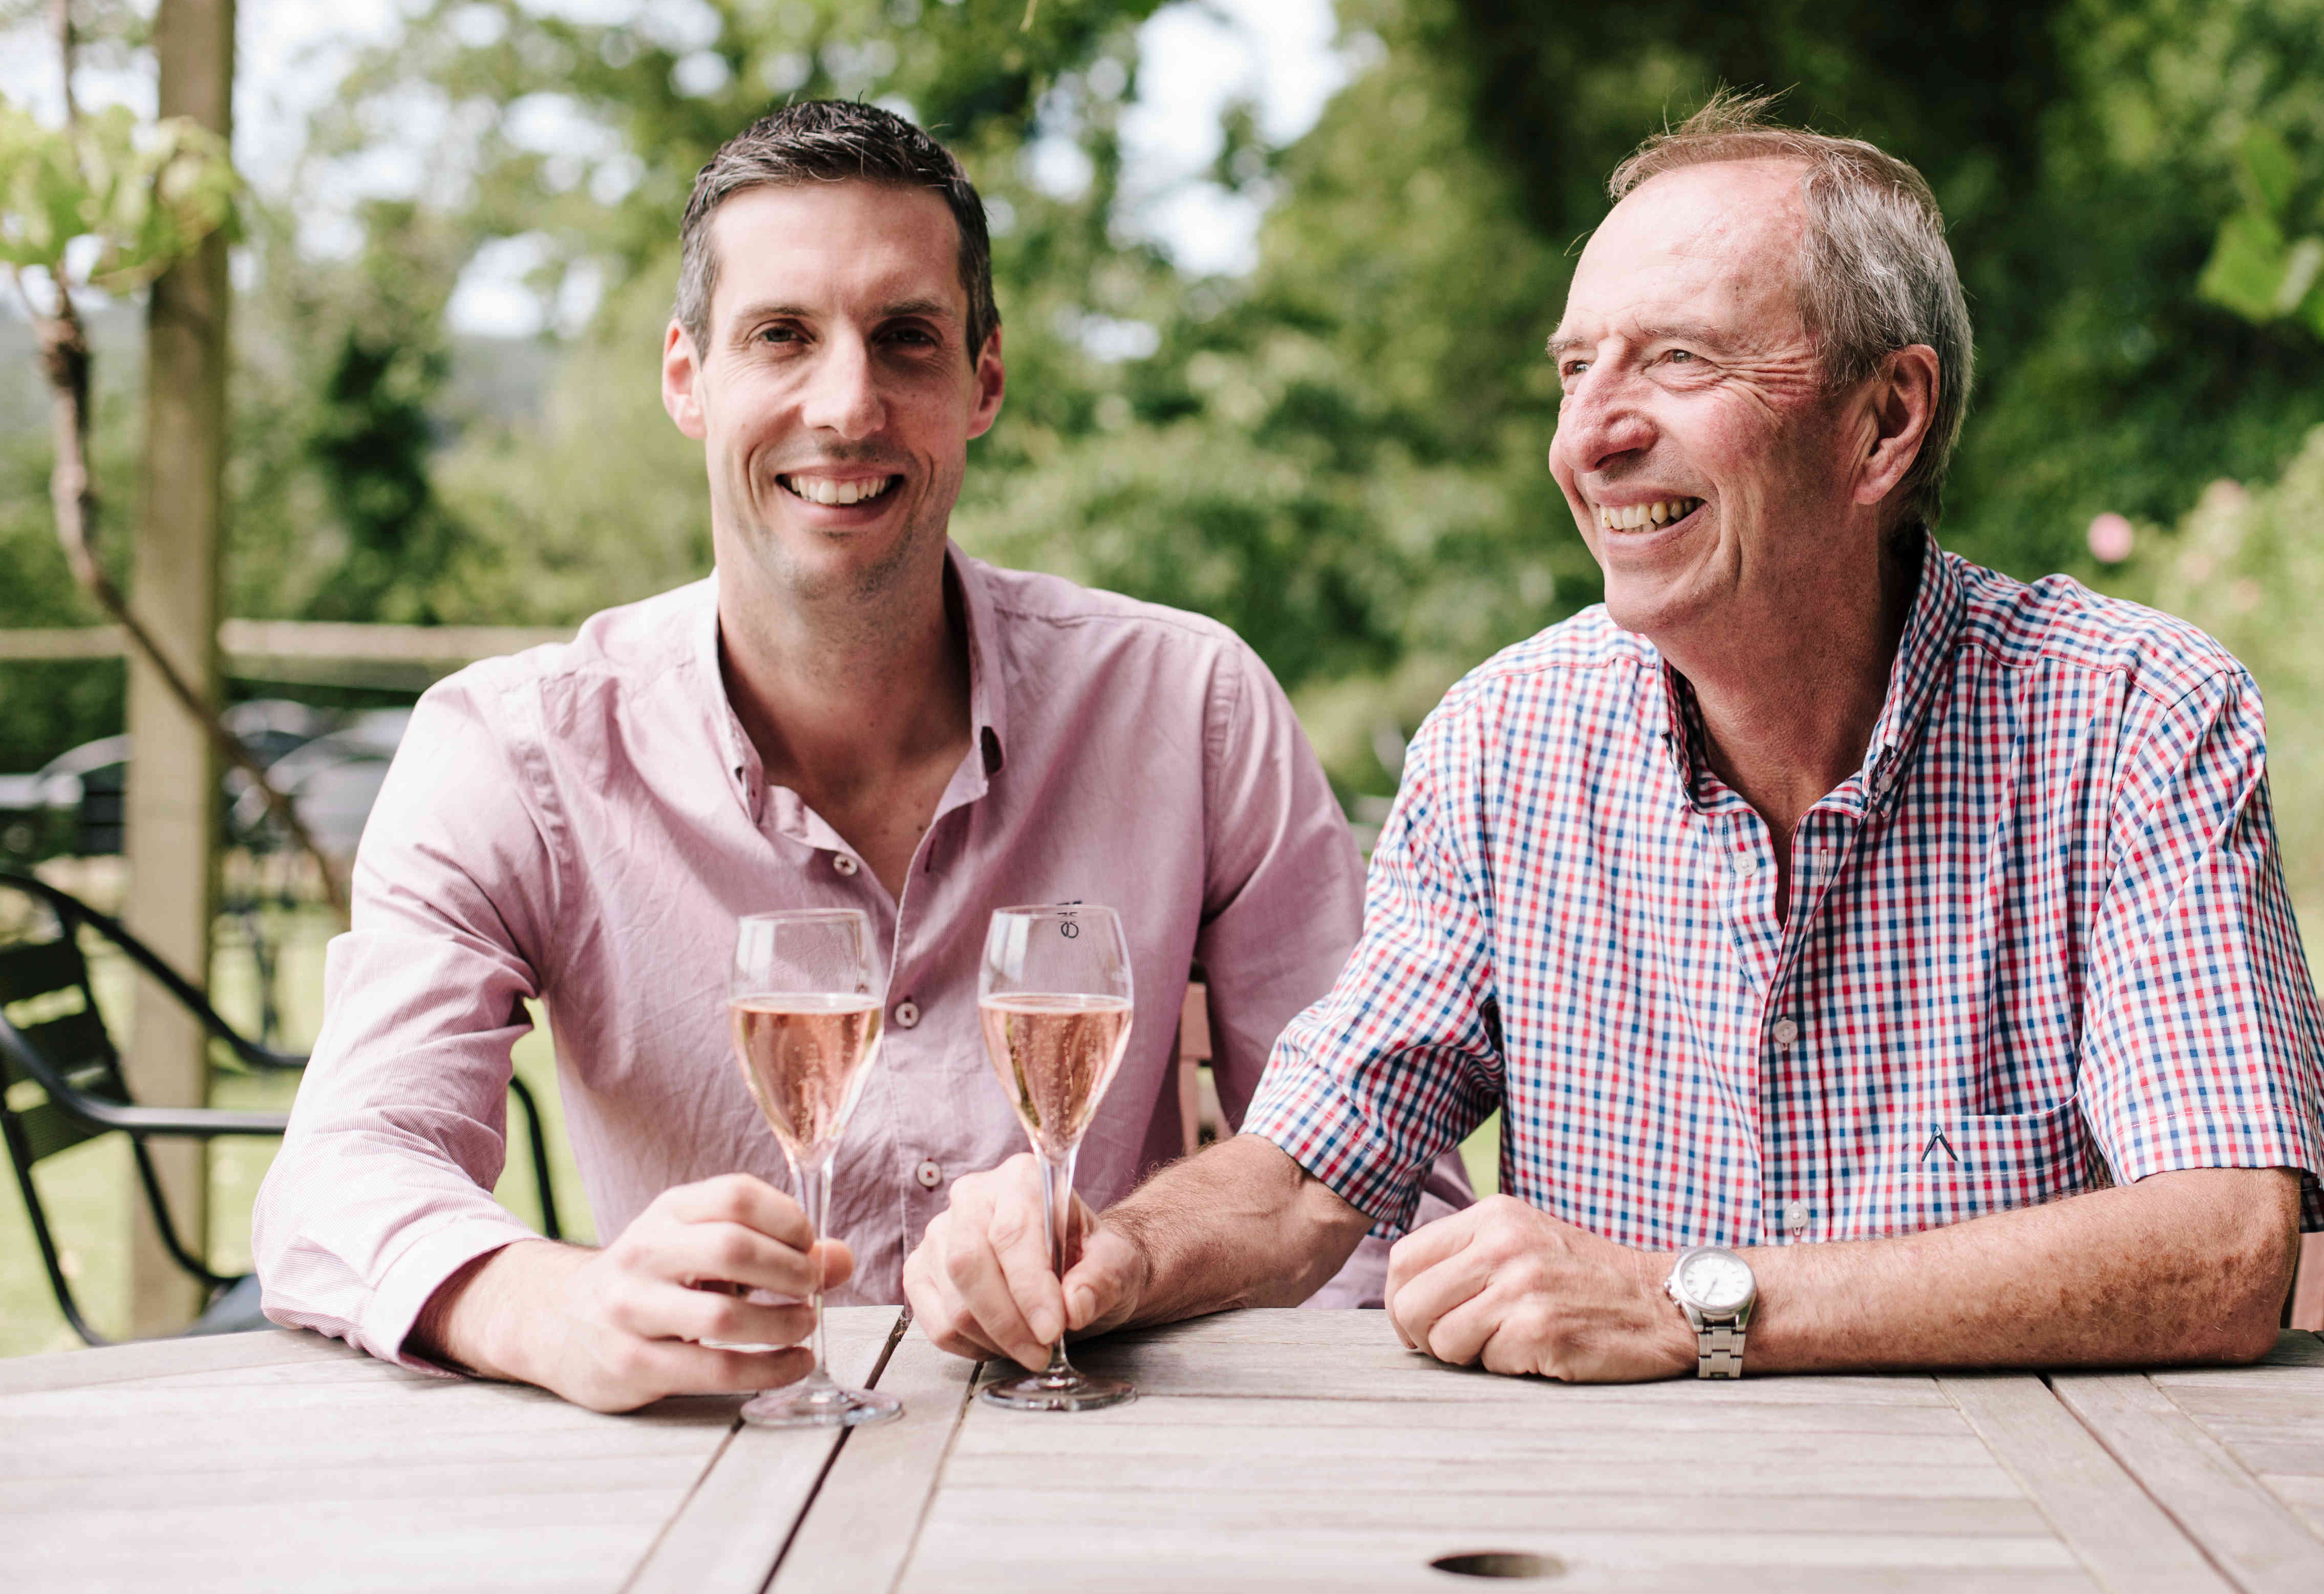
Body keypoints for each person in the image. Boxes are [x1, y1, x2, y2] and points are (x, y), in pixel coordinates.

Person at [907, 95, 2324, 1383]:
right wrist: (1113, 1255)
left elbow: (2225, 1244)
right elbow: (1302, 1181)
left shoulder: (2127, 717)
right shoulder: (1504, 744)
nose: (1588, 436)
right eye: (1572, 370)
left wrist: (1696, 1306)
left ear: (1884, 422)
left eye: (1674, 362)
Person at [252, 99, 1455, 1412]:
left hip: (1115, 1466)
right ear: (685, 378)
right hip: (713, 1481)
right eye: (782, 337)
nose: (847, 404)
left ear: (982, 382)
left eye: (906, 342)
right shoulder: (512, 750)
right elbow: (344, 1168)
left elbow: (1378, 1185)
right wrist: (556, 1307)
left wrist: (1135, 1267)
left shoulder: (1194, 707)